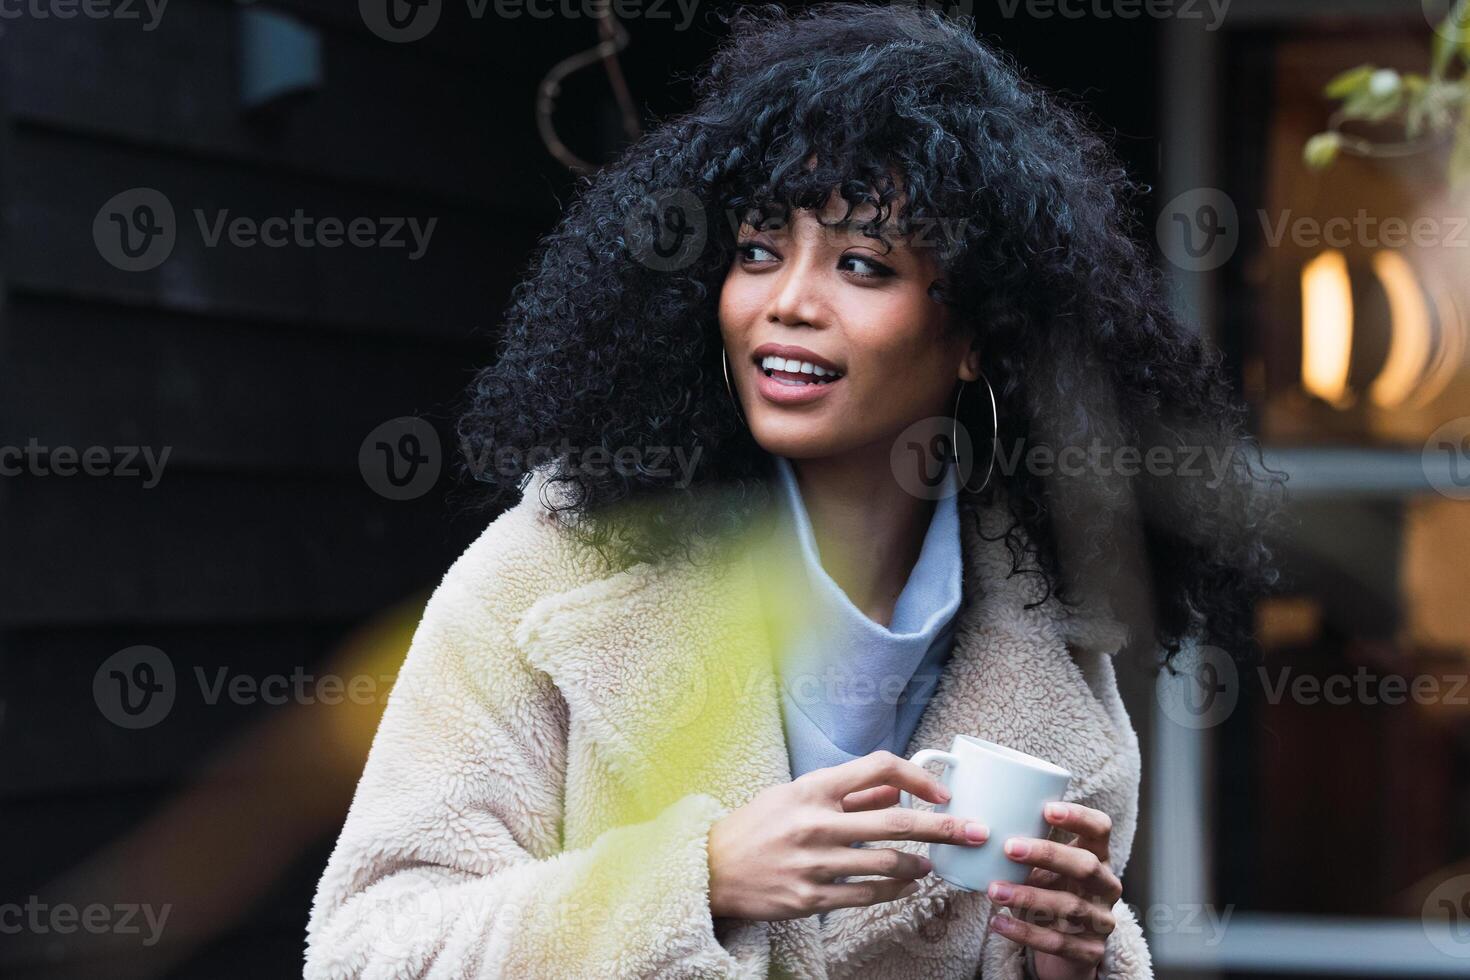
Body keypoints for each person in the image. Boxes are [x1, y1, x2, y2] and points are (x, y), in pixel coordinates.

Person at [304, 4, 1279, 978]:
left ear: (982, 333)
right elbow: (363, 952)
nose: (789, 303)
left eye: (863, 264)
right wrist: (696, 877)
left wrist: (1069, 966)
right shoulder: (557, 568)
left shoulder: (1056, 657)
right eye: (759, 250)